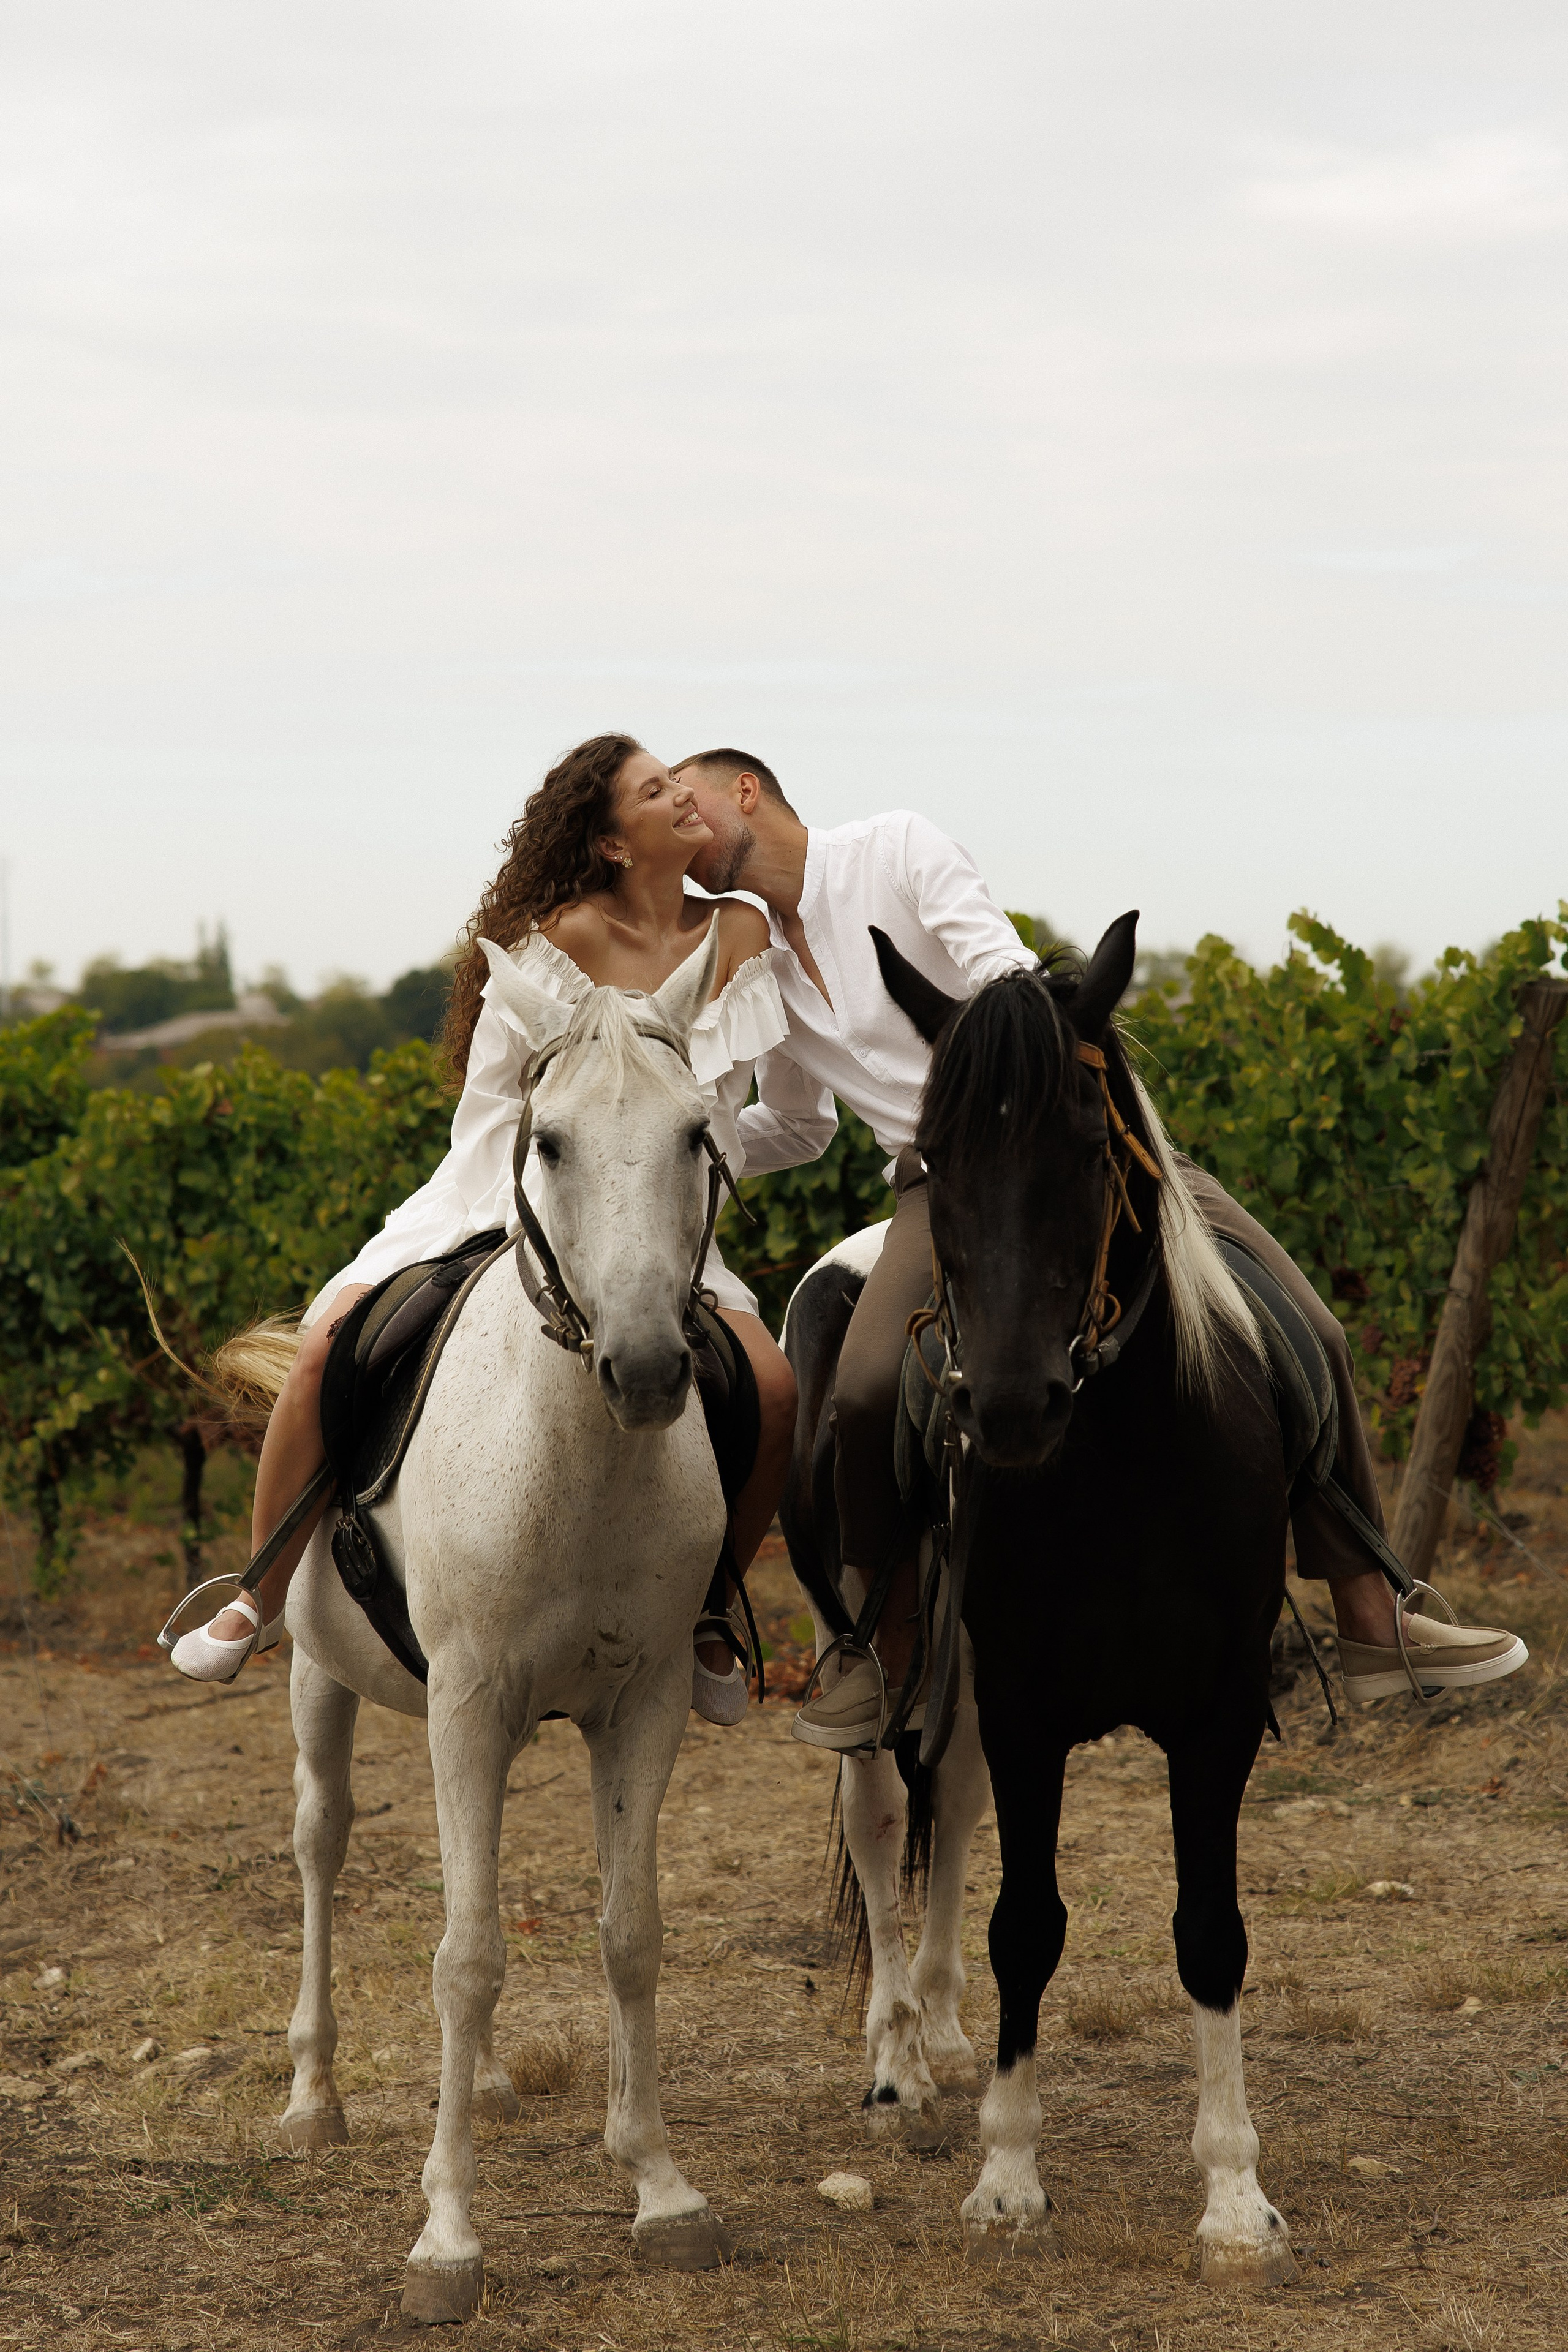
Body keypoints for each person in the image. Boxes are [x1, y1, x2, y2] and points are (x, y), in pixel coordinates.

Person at [671, 747, 1528, 1752]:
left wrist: (1013, 1095)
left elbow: (1006, 977)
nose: (674, 832)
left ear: (746, 790)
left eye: (681, 801)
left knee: (1315, 1329)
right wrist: (682, 1140)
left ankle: (1373, 1616)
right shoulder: (761, 964)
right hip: (941, 1183)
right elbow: (803, 1125)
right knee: (859, 1397)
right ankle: (881, 1653)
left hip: (1066, 1138)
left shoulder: (896, 850)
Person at [168, 736, 798, 1722]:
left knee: (772, 1386)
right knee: (327, 1345)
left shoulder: (745, 934)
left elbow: (730, 1115)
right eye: (654, 789)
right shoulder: (558, 939)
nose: (684, 793)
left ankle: (711, 1610)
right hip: (511, 1195)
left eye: (678, 780)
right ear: (615, 844)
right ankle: (259, 1592)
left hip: (667, 1220)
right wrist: (545, 1212)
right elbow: (495, 1113)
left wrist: (670, 1174)